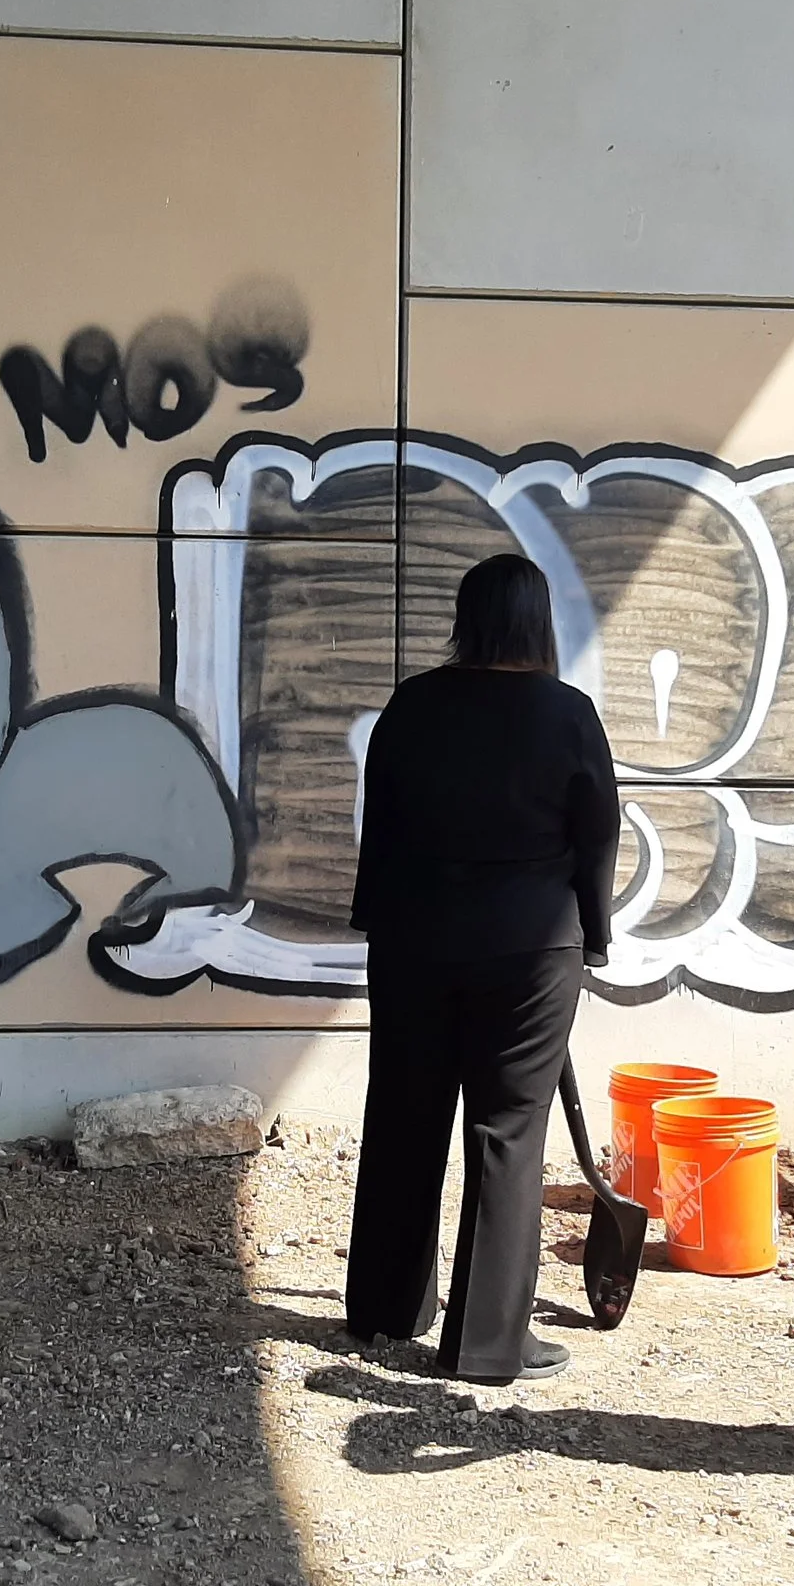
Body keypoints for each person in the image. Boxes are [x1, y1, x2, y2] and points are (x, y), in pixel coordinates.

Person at [342, 554, 620, 1385]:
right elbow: (597, 833)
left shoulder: (413, 704)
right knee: (506, 1131)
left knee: (402, 1115)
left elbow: (379, 823)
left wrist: (376, 921)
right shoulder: (568, 715)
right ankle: (489, 1343)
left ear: (466, 618)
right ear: (539, 622)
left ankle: (386, 1309)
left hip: (411, 941)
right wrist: (593, 936)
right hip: (529, 952)